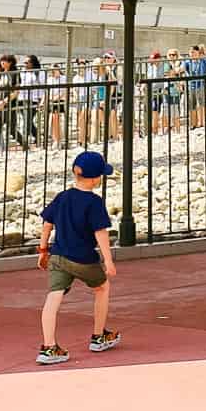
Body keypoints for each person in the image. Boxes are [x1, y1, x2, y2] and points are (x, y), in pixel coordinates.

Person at [35, 150, 121, 364]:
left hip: (58, 256)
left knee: (53, 296)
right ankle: (98, 335)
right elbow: (100, 232)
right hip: (82, 258)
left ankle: (48, 347)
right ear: (94, 179)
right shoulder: (94, 202)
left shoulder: (62, 197)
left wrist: (43, 250)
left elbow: (47, 223)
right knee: (102, 288)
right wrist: (108, 260)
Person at [186, 44, 206, 130]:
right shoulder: (187, 62)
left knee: (201, 104)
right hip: (191, 85)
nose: (192, 54)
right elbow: (181, 69)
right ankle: (193, 124)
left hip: (201, 85)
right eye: (190, 52)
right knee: (192, 105)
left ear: (198, 52)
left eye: (193, 52)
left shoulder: (204, 61)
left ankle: (202, 123)